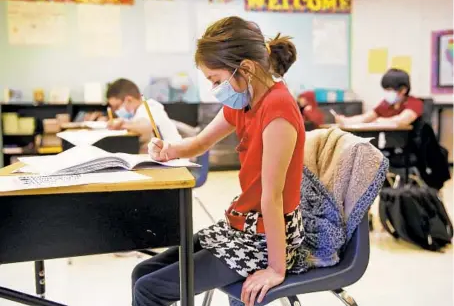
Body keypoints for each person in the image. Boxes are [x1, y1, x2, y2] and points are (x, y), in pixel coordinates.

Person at [132, 17, 306, 306]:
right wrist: (168, 149)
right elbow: (200, 143)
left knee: (149, 289)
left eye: (215, 80)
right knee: (143, 273)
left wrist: (276, 269)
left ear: (246, 69)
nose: (215, 88)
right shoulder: (244, 100)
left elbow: (273, 198)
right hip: (245, 225)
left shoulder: (278, 110)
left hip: (267, 237)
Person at [105, 78, 181, 152]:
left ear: (129, 100)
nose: (116, 111)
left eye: (117, 106)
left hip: (175, 158)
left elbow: (146, 125)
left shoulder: (149, 108)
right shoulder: (137, 112)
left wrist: (122, 124)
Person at [334, 68, 423, 126]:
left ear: (403, 90)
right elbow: (365, 117)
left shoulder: (414, 103)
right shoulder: (385, 104)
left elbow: (402, 120)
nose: (387, 93)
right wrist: (345, 120)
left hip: (411, 149)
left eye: (390, 90)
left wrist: (380, 121)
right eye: (386, 90)